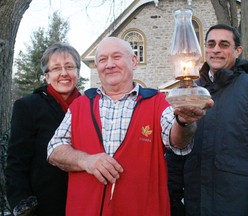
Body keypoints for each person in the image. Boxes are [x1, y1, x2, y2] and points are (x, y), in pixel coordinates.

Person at [46, 36, 213, 216]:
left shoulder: (157, 103)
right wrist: (86, 161)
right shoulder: (81, 104)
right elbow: (54, 149)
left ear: (133, 61)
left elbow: (178, 142)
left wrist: (184, 121)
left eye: (116, 57)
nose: (109, 64)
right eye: (102, 59)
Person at [181, 24, 248, 216]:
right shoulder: (191, 92)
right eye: (211, 44)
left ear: (237, 51)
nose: (216, 50)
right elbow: (177, 148)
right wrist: (173, 198)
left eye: (224, 44)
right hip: (195, 204)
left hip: (239, 204)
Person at [5, 42, 81, 216]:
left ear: (77, 72)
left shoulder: (90, 107)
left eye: (69, 66)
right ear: (47, 76)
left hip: (83, 202)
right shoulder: (28, 107)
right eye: (56, 68)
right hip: (44, 205)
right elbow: (17, 161)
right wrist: (23, 203)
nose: (63, 73)